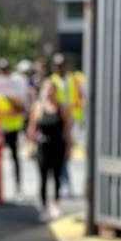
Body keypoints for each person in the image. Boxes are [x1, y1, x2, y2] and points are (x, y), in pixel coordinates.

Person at [26, 79, 72, 223]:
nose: (49, 92)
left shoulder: (62, 108)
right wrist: (30, 146)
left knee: (57, 176)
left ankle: (56, 203)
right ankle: (44, 206)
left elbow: (67, 129)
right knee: (43, 177)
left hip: (58, 144)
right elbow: (32, 129)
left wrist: (69, 147)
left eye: (52, 89)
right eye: (46, 89)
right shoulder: (38, 108)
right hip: (43, 145)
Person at [49, 52, 85, 197]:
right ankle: (65, 183)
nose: (60, 68)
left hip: (76, 120)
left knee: (71, 152)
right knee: (62, 152)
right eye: (57, 65)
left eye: (62, 65)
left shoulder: (75, 79)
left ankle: (73, 183)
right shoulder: (51, 81)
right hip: (59, 121)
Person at [0, 57, 26, 199]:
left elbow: (21, 108)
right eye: (0, 70)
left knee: (14, 158)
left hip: (12, 127)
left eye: (5, 70)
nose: (3, 73)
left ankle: (18, 187)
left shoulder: (15, 86)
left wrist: (9, 95)